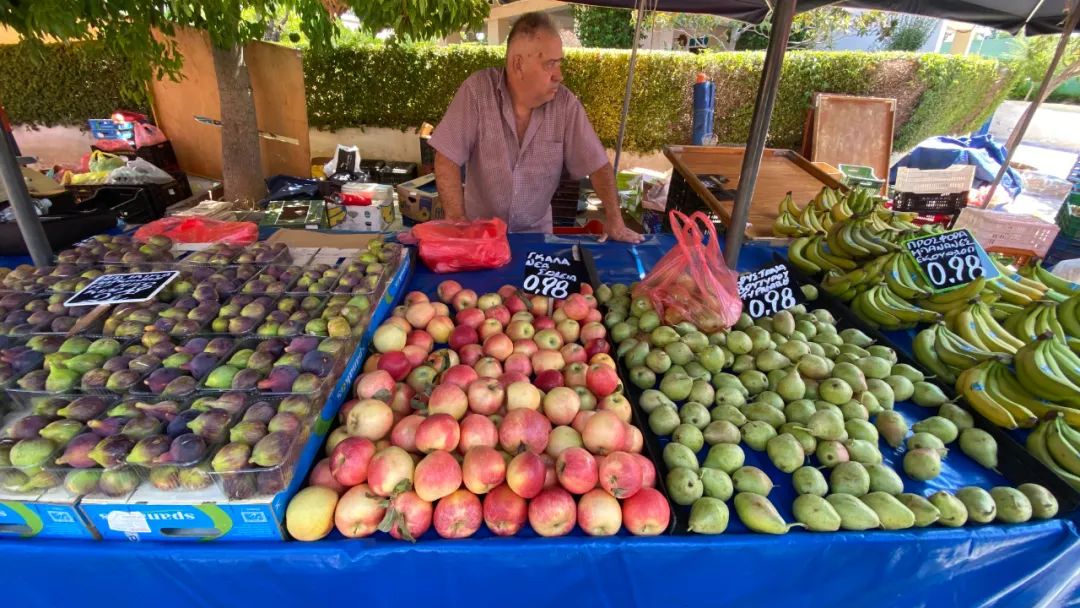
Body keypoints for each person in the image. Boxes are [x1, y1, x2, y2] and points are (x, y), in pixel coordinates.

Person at [428, 12, 642, 243]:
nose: (559, 76)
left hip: (537, 238)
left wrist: (615, 221)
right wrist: (458, 222)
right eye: (550, 64)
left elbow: (598, 164)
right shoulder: (478, 91)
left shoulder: (565, 105)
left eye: (559, 63)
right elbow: (446, 157)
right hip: (481, 236)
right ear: (518, 64)